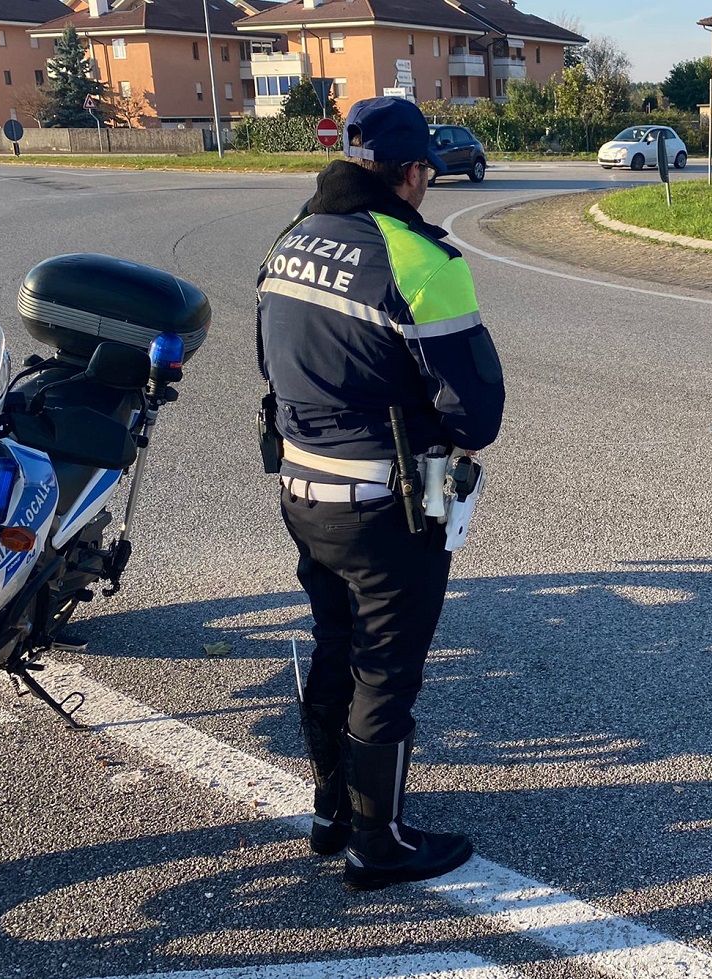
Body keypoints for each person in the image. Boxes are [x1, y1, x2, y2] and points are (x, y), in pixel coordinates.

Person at [256, 96, 505, 891]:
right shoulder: (416, 258)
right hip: (384, 501)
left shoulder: (291, 238)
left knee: (334, 645)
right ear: (411, 172)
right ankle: (379, 841)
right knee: (386, 672)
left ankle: (332, 809)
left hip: (300, 487)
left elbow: (269, 361)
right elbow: (477, 410)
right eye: (426, 171)